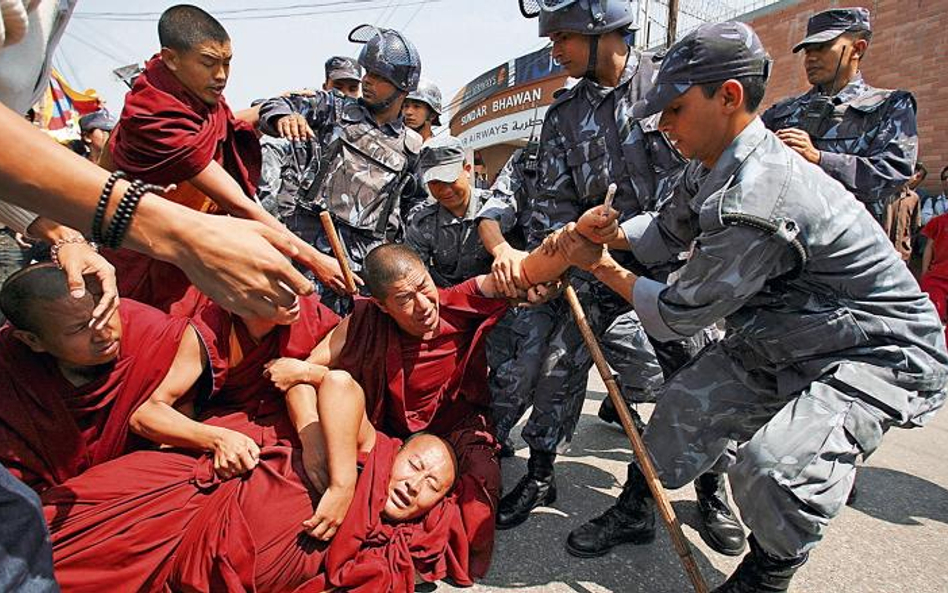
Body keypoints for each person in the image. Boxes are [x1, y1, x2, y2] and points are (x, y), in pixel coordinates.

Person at [557, 22, 947, 592]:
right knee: (681, 410)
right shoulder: (712, 161)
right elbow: (665, 232)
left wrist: (596, 265)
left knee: (776, 469)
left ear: (729, 97)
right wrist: (610, 233)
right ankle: (638, 509)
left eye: (675, 109)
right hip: (788, 332)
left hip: (873, 348)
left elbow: (679, 313)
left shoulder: (762, 192)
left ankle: (768, 572)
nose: (663, 125)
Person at [509, 0, 739, 555]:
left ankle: (710, 486)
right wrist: (567, 243)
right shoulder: (563, 113)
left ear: (600, 32)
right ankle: (541, 470)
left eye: (563, 36)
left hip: (677, 261)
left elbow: (714, 170)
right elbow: (553, 200)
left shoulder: (671, 84)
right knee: (559, 364)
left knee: (699, 377)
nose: (554, 49)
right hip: (596, 262)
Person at [44, 368, 460, 593]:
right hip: (194, 516)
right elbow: (337, 383)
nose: (415, 484)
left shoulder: (397, 542)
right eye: (415, 466)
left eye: (432, 486)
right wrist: (341, 486)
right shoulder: (366, 456)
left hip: (226, 572)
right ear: (396, 452)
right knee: (67, 550)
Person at [266, 243, 521, 582]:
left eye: (424, 288)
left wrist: (559, 246)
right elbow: (299, 374)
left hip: (457, 424)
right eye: (404, 300)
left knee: (477, 514)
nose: (423, 306)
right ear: (383, 307)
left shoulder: (453, 304)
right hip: (388, 429)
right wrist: (311, 442)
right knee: (313, 481)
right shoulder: (364, 321)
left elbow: (531, 269)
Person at [102, 4, 347, 312]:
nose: (220, 76)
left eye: (227, 63)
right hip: (150, 252)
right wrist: (314, 258)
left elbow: (227, 128)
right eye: (208, 63)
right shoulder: (155, 115)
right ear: (171, 58)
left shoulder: (193, 94)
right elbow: (238, 204)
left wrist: (279, 107)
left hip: (198, 250)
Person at [0, 264, 217, 493]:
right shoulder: (9, 367)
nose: (104, 333)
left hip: (129, 490)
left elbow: (174, 439)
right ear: (32, 340)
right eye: (80, 329)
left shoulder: (151, 334)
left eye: (104, 313)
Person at [259, 24, 424, 314]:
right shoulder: (334, 108)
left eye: (378, 76)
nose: (367, 81)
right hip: (307, 251)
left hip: (360, 271)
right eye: (367, 73)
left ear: (403, 87)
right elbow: (277, 103)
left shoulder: (411, 147)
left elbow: (413, 205)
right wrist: (283, 116)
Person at [762, 7, 917, 227]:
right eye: (807, 50)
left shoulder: (890, 105)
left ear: (857, 49)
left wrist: (819, 158)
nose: (811, 58)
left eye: (822, 47)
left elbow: (891, 174)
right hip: (782, 244)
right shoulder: (782, 111)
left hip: (848, 246)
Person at [476, 142, 557, 456]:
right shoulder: (531, 157)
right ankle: (490, 441)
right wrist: (503, 251)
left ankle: (621, 399)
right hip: (535, 280)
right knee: (525, 371)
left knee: (648, 372)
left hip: (605, 279)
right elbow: (490, 216)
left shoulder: (640, 140)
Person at [406, 135, 494, 286]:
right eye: (435, 182)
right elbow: (417, 276)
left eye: (450, 179)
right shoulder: (422, 222)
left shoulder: (493, 208)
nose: (444, 190)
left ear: (467, 170)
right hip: (447, 300)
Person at [884, 161, 925, 261]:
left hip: (902, 253)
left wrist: (907, 244)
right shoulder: (883, 193)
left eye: (916, 175)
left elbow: (914, 226)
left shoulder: (913, 198)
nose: (914, 177)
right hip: (882, 250)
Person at [921, 210, 948, 326]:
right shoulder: (938, 222)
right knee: (934, 318)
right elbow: (929, 247)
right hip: (936, 278)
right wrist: (925, 273)